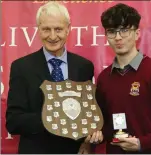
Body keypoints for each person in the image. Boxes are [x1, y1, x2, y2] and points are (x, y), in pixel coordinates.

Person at [6, 2, 102, 154]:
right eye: (46, 29)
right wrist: (53, 118)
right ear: (38, 29)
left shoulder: (84, 66)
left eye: (58, 29)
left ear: (68, 29)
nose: (52, 36)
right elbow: (13, 122)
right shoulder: (21, 67)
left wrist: (87, 143)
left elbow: (87, 114)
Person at [96, 3, 151, 154]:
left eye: (124, 30)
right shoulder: (104, 78)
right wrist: (97, 134)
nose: (118, 37)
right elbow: (103, 122)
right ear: (106, 36)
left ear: (137, 33)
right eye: (112, 31)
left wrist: (141, 143)